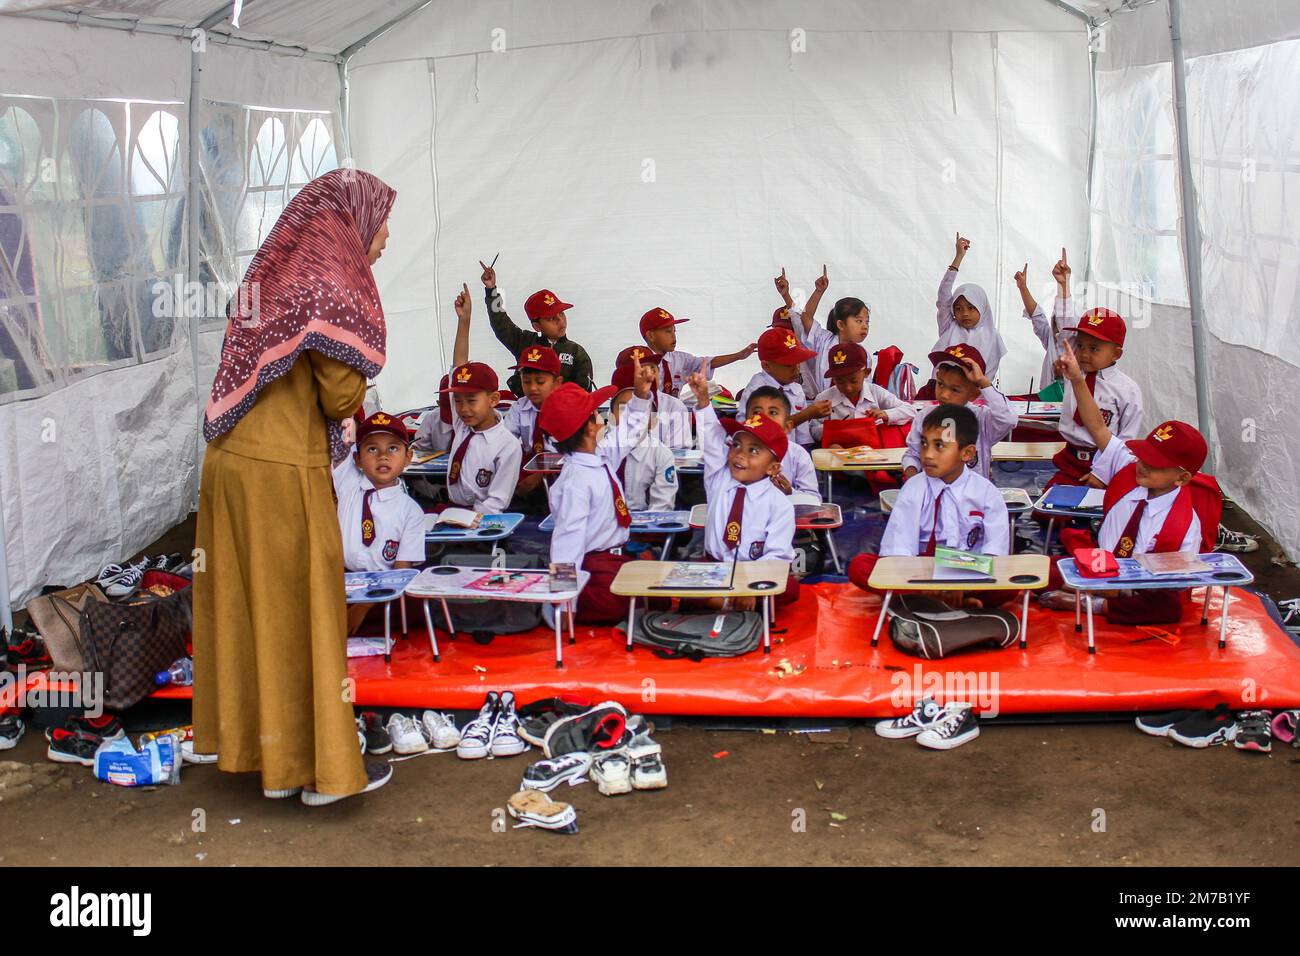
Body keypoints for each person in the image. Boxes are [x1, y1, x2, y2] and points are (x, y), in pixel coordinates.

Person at [192, 168, 395, 806]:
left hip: (230, 463)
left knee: (252, 610)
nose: (385, 241)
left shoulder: (276, 266)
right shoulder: (330, 281)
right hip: (279, 469)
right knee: (303, 609)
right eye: (383, 224)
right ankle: (320, 771)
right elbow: (340, 397)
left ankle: (269, 759)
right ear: (355, 221)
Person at [1039, 340, 1220, 624]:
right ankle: (1086, 590)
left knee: (1164, 608)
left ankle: (1094, 603)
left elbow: (1170, 584)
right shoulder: (1130, 468)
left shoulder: (1184, 526)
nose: (1144, 466)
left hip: (1136, 586)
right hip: (1100, 563)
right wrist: (1076, 379)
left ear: (1182, 478)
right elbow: (1097, 426)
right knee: (1037, 570)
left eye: (1156, 464)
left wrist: (1116, 591)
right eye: (1144, 456)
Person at [848, 404, 1011, 606]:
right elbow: (898, 549)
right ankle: (934, 597)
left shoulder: (987, 493)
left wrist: (963, 585)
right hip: (919, 569)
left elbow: (995, 553)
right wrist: (922, 582)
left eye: (939, 446)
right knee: (860, 566)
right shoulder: (913, 488)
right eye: (924, 444)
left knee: (1014, 578)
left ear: (967, 453)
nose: (928, 455)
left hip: (970, 569)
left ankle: (933, 599)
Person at [540, 363, 657, 623]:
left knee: (654, 588)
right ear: (591, 428)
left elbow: (628, 433)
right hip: (595, 565)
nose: (601, 414)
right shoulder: (576, 481)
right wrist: (565, 604)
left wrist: (640, 395)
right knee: (621, 599)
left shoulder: (598, 456)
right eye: (596, 412)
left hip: (617, 556)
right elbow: (566, 543)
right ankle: (564, 604)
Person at [687, 372, 799, 607]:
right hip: (715, 568)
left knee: (789, 587)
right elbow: (712, 440)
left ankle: (732, 601)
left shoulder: (779, 505)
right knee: (687, 584)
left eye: (754, 450)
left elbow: (777, 556)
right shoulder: (719, 479)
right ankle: (730, 601)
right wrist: (704, 401)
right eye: (737, 444)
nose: (740, 454)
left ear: (773, 467)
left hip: (754, 570)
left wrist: (752, 584)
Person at [334, 411, 425, 633]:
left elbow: (401, 570)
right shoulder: (349, 484)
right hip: (343, 583)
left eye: (393, 448)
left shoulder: (411, 512)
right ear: (357, 458)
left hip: (384, 591)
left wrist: (362, 607)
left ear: (408, 457)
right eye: (372, 449)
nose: (383, 456)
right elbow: (342, 431)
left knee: (412, 613)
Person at [441, 283, 523, 513]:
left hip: (481, 520)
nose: (463, 409)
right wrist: (464, 321)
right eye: (458, 401)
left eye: (471, 400)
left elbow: (496, 502)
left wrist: (465, 522)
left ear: (494, 399)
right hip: (452, 511)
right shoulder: (463, 425)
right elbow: (458, 366)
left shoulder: (507, 445)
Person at [1051, 301, 1143, 487]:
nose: (1084, 354)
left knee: (1099, 512)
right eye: (1081, 346)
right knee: (1049, 513)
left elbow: (1127, 439)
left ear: (1116, 354)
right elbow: (1063, 332)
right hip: (1070, 459)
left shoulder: (1127, 390)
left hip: (1105, 462)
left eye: (1093, 348)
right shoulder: (1074, 374)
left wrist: (1103, 472)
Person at [902, 344, 1017, 482]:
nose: (944, 395)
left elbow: (1008, 420)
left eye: (955, 390)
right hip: (934, 497)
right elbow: (913, 454)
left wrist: (984, 382)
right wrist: (913, 480)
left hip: (972, 500)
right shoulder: (925, 417)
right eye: (940, 384)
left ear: (974, 394)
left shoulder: (981, 419)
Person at [480, 260, 593, 393]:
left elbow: (583, 395)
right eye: (551, 318)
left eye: (561, 313)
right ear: (537, 326)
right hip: (527, 412)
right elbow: (500, 323)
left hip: (565, 412)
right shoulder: (526, 342)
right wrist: (491, 290)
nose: (560, 320)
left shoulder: (577, 352)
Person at [932, 232, 1007, 380]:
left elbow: (989, 374)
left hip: (976, 395)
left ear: (983, 309)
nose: (964, 313)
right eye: (958, 309)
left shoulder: (993, 336)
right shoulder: (949, 327)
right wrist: (958, 257)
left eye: (971, 307)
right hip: (943, 391)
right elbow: (943, 297)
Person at [638, 306, 756, 396]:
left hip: (674, 417)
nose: (674, 336)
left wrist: (738, 356)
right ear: (651, 336)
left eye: (674, 331)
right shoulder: (638, 361)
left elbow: (707, 362)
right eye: (668, 331)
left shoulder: (680, 359)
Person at [609, 364, 679, 511]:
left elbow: (661, 509)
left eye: (640, 409)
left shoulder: (661, 454)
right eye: (623, 408)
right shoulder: (599, 448)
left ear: (653, 420)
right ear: (610, 415)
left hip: (645, 530)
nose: (631, 416)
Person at [736, 327, 820, 446]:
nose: (796, 369)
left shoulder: (797, 390)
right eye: (789, 365)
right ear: (766, 366)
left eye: (798, 363)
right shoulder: (756, 390)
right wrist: (806, 414)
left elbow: (803, 439)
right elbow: (751, 431)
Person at [743, 386, 820, 500]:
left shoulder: (798, 454)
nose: (764, 417)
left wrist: (790, 492)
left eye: (773, 412)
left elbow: (814, 499)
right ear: (746, 420)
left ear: (787, 426)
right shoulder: (737, 453)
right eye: (756, 412)